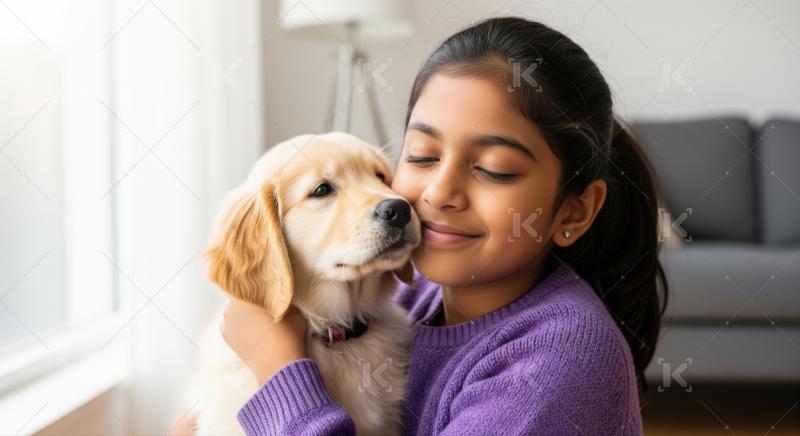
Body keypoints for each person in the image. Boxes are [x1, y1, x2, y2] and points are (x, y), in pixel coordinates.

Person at [174, 16, 669, 435]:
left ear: (574, 211)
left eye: (494, 168)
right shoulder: (406, 301)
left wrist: (279, 370)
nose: (437, 194)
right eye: (421, 156)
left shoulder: (558, 362)